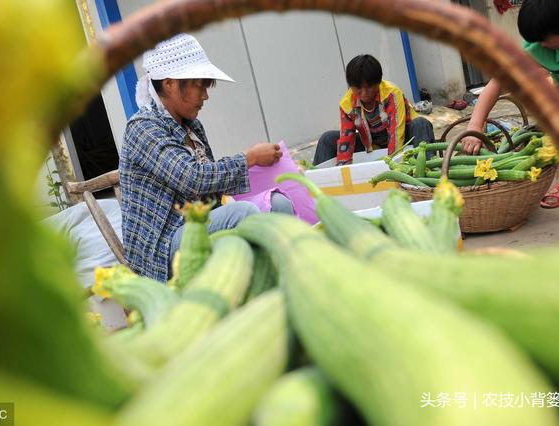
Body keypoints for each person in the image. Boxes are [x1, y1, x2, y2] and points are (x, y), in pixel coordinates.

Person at [120, 34, 290, 281]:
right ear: (169, 84)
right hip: (163, 246)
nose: (205, 96)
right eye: (200, 85)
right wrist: (248, 158)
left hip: (197, 223)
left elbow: (209, 194)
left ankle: (286, 281)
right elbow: (192, 178)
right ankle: (268, 288)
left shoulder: (193, 127)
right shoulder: (143, 128)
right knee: (242, 214)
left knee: (279, 205)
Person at [462, 0, 559, 208]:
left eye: (545, 40)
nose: (540, 45)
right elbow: (498, 82)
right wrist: (474, 126)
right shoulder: (537, 48)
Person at [313, 54, 435, 166]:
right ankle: (317, 185)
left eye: (369, 87)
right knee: (327, 138)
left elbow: (396, 133)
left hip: (405, 139)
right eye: (358, 88)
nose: (364, 93)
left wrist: (391, 165)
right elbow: (347, 139)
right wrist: (344, 170)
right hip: (372, 145)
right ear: (351, 86)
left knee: (421, 123)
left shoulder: (391, 94)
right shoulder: (347, 104)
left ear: (378, 82)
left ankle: (425, 174)